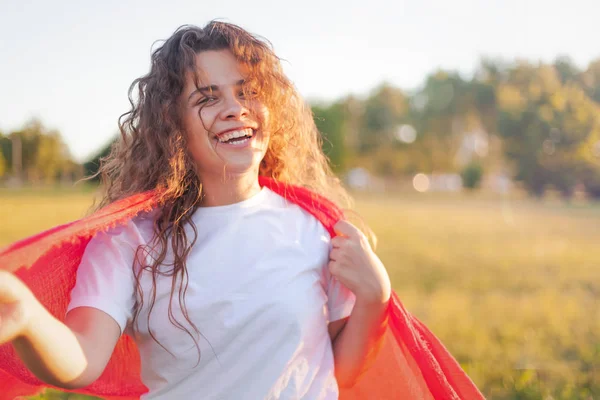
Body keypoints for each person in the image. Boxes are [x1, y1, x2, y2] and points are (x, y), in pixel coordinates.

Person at [0, 21, 392, 399]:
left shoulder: (316, 229)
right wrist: (26, 318)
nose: (235, 109)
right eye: (207, 97)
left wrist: (375, 297)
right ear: (174, 125)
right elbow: (83, 360)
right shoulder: (130, 239)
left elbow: (337, 373)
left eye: (247, 91)